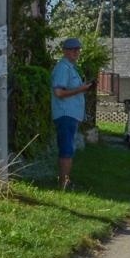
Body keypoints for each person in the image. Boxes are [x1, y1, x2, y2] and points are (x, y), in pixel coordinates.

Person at [51, 37, 93, 190]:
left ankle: (65, 182)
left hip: (71, 115)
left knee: (68, 149)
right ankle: (63, 184)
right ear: (65, 51)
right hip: (65, 114)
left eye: (77, 49)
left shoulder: (71, 68)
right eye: (72, 49)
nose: (76, 52)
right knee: (66, 149)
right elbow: (59, 92)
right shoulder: (63, 68)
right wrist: (81, 89)